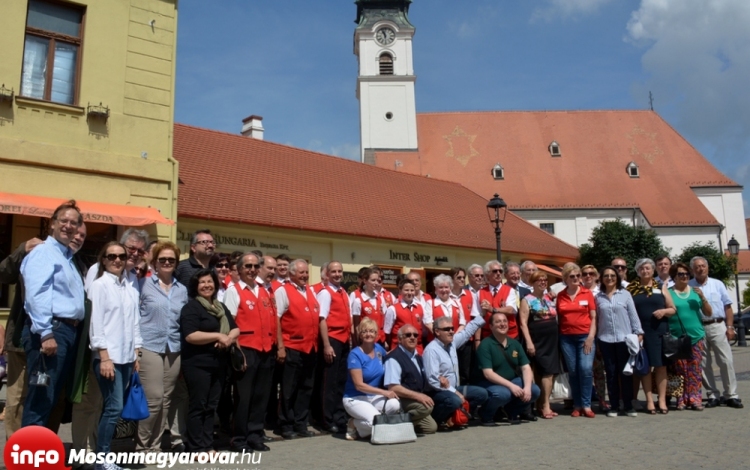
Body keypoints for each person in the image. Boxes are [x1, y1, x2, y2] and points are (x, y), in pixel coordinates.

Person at [21, 200, 86, 427]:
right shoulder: (44, 253)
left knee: (51, 398)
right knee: (41, 398)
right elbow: (37, 295)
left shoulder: (67, 257)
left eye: (74, 223)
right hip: (52, 330)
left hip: (66, 331)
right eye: (64, 221)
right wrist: (46, 333)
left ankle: (41, 455)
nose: (68, 226)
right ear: (52, 224)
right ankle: (29, 460)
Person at [89, 242, 142, 469]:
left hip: (126, 357)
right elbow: (96, 322)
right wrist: (104, 356)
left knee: (114, 408)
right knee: (113, 408)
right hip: (108, 356)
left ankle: (105, 455)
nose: (117, 260)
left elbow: (135, 323)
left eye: (122, 256)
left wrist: (136, 353)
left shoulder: (129, 288)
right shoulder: (99, 285)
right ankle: (102, 457)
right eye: (112, 256)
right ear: (104, 259)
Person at [136, 241, 188, 452]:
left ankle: (155, 446)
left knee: (166, 399)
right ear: (154, 262)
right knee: (154, 398)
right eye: (162, 259)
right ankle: (141, 446)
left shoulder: (181, 289)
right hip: (149, 345)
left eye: (171, 260)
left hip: (174, 347)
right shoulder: (143, 284)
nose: (167, 263)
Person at [180, 268, 239, 452]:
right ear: (196, 287)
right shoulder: (191, 307)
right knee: (199, 405)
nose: (207, 285)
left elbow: (235, 328)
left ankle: (208, 444)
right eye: (202, 282)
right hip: (198, 364)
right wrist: (218, 336)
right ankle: (196, 447)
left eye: (209, 281)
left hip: (219, 364)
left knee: (211, 406)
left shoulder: (220, 307)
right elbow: (190, 335)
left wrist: (229, 338)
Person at [224, 253, 276, 452]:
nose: (252, 270)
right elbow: (230, 324)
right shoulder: (234, 291)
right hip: (246, 349)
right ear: (239, 269)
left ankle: (255, 436)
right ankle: (239, 439)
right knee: (243, 398)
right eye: (248, 266)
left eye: (255, 266)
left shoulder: (263, 290)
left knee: (260, 396)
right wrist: (237, 353)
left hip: (265, 350)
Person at [0, 236, 42, 436]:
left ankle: (38, 448)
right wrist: (21, 249)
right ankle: (17, 451)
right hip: (21, 340)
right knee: (17, 397)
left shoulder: (67, 258)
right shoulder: (31, 253)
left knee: (43, 396)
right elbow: (3, 273)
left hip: (52, 343)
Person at [688, 257, 743, 408]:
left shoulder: (717, 284)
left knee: (726, 360)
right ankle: (712, 394)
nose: (700, 269)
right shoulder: (689, 286)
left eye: (703, 266)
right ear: (693, 270)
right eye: (697, 267)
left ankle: (731, 394)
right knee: (704, 363)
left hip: (717, 325)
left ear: (707, 268)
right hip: (698, 327)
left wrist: (730, 327)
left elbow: (728, 306)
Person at [274, 259, 320, 439]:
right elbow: (276, 319)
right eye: (301, 273)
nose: (305, 276)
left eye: (306, 272)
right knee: (288, 389)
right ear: (291, 274)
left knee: (306, 387)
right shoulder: (283, 291)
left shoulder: (311, 291)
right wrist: (281, 346)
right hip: (292, 346)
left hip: (310, 348)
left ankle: (301, 423)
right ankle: (285, 424)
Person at [627, 258, 676, 415]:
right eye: (641, 268)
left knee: (661, 367)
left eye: (648, 268)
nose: (645, 271)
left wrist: (663, 312)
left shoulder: (661, 287)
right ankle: (649, 401)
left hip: (659, 331)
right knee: (645, 367)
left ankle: (661, 400)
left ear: (653, 270)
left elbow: (672, 309)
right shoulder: (631, 289)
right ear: (637, 271)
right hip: (641, 333)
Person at [423, 315, 489, 428]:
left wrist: (483, 314)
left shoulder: (452, 343)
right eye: (447, 329)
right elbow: (433, 381)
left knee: (482, 394)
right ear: (437, 332)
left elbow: (467, 332)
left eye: (452, 328)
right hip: (438, 392)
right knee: (454, 400)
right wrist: (455, 392)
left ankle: (458, 416)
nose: (451, 331)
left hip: (454, 389)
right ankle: (438, 419)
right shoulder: (431, 350)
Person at [476, 312, 541, 425]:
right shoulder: (485, 345)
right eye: (498, 322)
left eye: (505, 321)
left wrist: (527, 388)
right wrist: (511, 386)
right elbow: (488, 374)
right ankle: (486, 414)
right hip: (489, 383)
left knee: (534, 390)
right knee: (503, 394)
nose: (502, 324)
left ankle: (511, 411)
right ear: (491, 327)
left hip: (511, 380)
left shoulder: (515, 344)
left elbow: (526, 368)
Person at [595, 266, 643, 417]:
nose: (609, 278)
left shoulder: (625, 294)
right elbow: (595, 320)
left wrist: (639, 333)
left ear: (617, 278)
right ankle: (614, 405)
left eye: (612, 275)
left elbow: (633, 315)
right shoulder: (598, 297)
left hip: (625, 339)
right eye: (606, 276)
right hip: (605, 339)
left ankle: (628, 405)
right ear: (602, 279)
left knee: (626, 374)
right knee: (611, 373)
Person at [342, 318, 400, 441]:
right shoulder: (355, 354)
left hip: (373, 397)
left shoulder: (378, 349)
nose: (368, 334)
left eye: (372, 331)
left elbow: (390, 357)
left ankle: (373, 425)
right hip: (355, 397)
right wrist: (385, 392)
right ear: (360, 335)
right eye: (365, 331)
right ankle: (353, 423)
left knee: (394, 405)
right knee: (376, 420)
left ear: (376, 334)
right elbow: (359, 385)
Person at [314, 261, 351, 434]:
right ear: (327, 275)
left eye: (339, 271)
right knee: (328, 383)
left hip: (343, 340)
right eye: (333, 271)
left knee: (340, 381)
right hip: (332, 340)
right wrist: (327, 345)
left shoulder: (343, 291)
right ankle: (326, 420)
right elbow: (322, 319)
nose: (337, 274)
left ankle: (339, 416)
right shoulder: (325, 293)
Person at [555, 263, 597, 418]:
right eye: (572, 276)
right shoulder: (560, 295)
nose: (576, 279)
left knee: (585, 369)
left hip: (585, 337)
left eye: (578, 276)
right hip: (566, 338)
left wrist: (591, 337)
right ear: (565, 278)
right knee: (573, 371)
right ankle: (577, 404)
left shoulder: (587, 293)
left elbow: (593, 317)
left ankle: (587, 405)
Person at [669, 262, 711, 411]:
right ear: (674, 277)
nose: (685, 277)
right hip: (677, 337)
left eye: (687, 274)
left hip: (696, 336)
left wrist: (703, 297)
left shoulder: (695, 292)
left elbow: (708, 312)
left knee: (695, 370)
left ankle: (694, 399)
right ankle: (681, 399)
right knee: (679, 370)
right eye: (681, 274)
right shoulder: (668, 293)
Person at [518, 271, 559, 418]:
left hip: (552, 341)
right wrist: (529, 342)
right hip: (537, 340)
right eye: (539, 280)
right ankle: (545, 406)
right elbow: (523, 323)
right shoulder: (527, 299)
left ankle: (542, 402)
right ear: (532, 283)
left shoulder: (550, 298)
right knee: (545, 372)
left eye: (545, 280)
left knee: (551, 372)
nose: (543, 282)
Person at [384, 324, 437, 434]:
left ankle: (404, 425)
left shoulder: (417, 357)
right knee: (425, 408)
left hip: (413, 400)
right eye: (408, 335)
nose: (412, 337)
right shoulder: (394, 358)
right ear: (399, 339)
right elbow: (393, 387)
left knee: (431, 428)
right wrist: (419, 396)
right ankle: (393, 426)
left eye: (415, 335)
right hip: (400, 399)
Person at [85, 228, 149, 292]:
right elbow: (89, 298)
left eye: (140, 251)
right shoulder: (98, 269)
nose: (135, 254)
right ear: (121, 246)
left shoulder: (134, 276)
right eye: (132, 249)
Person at [581, 265, 605, 410]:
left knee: (600, 370)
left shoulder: (602, 291)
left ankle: (602, 399)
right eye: (585, 274)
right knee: (585, 368)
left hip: (601, 334)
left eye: (591, 273)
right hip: (584, 334)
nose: (588, 276)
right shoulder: (578, 291)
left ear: (596, 276)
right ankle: (586, 398)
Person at [476, 260, 517, 341]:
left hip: (509, 335)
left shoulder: (510, 290)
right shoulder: (480, 293)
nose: (498, 273)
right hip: (488, 336)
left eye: (500, 271)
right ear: (487, 275)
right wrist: (477, 340)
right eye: (495, 271)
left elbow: (511, 309)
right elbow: (477, 318)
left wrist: (492, 309)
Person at [384, 279, 425, 353]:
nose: (409, 293)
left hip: (418, 349)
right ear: (400, 291)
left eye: (412, 290)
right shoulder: (393, 309)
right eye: (406, 290)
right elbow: (387, 331)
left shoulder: (420, 307)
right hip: (400, 348)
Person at [351, 267, 386, 345]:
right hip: (366, 340)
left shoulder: (380, 298)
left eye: (377, 280)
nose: (376, 283)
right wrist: (357, 342)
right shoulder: (358, 300)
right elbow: (356, 325)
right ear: (365, 281)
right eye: (373, 280)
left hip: (380, 340)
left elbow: (384, 320)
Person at [425, 274, 466, 339]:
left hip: (455, 341)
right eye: (441, 287)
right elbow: (428, 323)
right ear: (436, 289)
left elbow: (462, 323)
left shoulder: (457, 303)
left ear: (450, 288)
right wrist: (441, 337)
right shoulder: (430, 303)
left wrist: (454, 338)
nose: (444, 290)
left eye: (446, 287)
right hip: (436, 341)